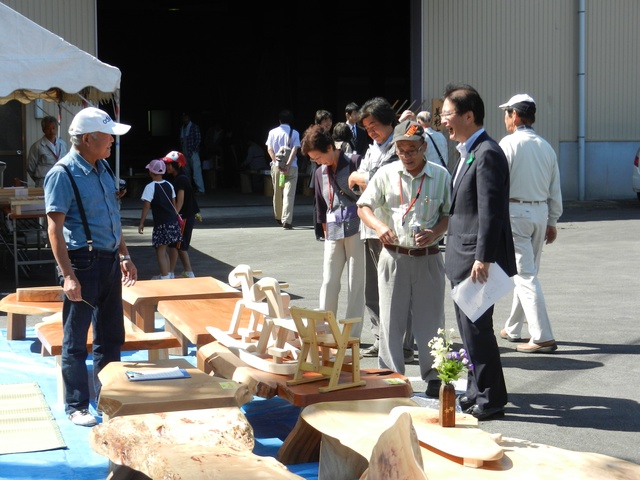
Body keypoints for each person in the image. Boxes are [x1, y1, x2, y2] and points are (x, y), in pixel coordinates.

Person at [44, 106, 137, 427]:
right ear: (87, 139)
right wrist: (67, 275)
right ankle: (76, 406)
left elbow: (112, 217)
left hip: (110, 261)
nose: (112, 141)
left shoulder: (104, 169)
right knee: (74, 340)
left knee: (110, 336)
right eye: (108, 136)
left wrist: (124, 255)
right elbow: (54, 229)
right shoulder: (63, 173)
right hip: (82, 264)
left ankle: (108, 396)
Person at [440, 83, 516, 420]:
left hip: (475, 260)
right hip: (462, 255)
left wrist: (483, 257)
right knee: (469, 329)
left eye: (448, 115)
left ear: (469, 116)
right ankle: (475, 391)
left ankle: (491, 398)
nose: (444, 122)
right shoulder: (469, 151)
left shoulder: (487, 152)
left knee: (478, 330)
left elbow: (491, 211)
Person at [356, 120, 451, 390]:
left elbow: (449, 215)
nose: (407, 156)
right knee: (390, 321)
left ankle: (434, 377)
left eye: (412, 150)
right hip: (393, 257)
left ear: (423, 147)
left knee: (431, 321)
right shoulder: (386, 174)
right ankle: (391, 377)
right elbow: (363, 207)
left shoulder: (441, 175)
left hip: (429, 257)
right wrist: (379, 226)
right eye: (401, 150)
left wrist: (435, 232)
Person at [348, 97, 414, 363]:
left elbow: (374, 179)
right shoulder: (372, 149)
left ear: (389, 121)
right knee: (373, 289)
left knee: (397, 288)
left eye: (374, 125)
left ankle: (404, 344)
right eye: (366, 127)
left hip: (391, 228)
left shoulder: (398, 148)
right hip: (369, 227)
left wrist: (362, 178)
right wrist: (363, 178)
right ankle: (380, 338)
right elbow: (359, 181)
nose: (370, 131)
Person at [498, 94, 563, 353]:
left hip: (516, 212)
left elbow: (498, 183)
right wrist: (553, 220)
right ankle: (513, 327)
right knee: (528, 273)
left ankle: (542, 335)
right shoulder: (545, 146)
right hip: (540, 212)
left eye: (507, 113)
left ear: (515, 115)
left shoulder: (509, 143)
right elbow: (554, 187)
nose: (505, 118)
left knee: (525, 275)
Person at [301, 124, 365, 335]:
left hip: (357, 228)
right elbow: (320, 206)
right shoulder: (320, 173)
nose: (317, 162)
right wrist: (326, 232)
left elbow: (368, 195)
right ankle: (325, 330)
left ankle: (352, 334)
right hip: (333, 230)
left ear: (330, 147)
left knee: (355, 283)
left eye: (318, 157)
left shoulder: (355, 162)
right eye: (313, 159)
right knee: (329, 281)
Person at [138, 159, 182, 280]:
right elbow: (174, 204)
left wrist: (142, 222)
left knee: (160, 251)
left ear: (151, 172)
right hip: (172, 222)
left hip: (161, 223)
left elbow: (146, 206)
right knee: (164, 248)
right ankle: (167, 274)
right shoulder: (169, 185)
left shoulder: (150, 187)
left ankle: (165, 276)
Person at [163, 150, 200, 278]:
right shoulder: (179, 178)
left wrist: (174, 216)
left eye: (169, 164)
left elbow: (180, 201)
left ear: (177, 165)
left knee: (178, 245)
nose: (166, 166)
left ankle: (174, 273)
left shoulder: (180, 180)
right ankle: (181, 272)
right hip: (184, 216)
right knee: (177, 244)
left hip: (183, 217)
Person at [266, 109, 300, 230]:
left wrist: (276, 162)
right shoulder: (295, 133)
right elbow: (294, 150)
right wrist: (288, 164)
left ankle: (278, 216)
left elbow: (269, 149)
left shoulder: (272, 132)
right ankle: (287, 220)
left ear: (279, 120)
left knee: (277, 192)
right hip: (292, 168)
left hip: (276, 167)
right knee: (289, 194)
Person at [27, 115, 68, 187]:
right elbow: (30, 167)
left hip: (61, 180)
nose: (51, 131)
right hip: (44, 181)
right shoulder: (37, 146)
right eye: (48, 129)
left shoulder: (63, 144)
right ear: (43, 130)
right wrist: (38, 178)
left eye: (53, 128)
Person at [312, 110, 334, 240]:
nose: (328, 123)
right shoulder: (316, 135)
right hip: (319, 169)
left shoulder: (328, 135)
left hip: (328, 169)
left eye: (330, 120)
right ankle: (319, 231)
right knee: (318, 202)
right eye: (325, 121)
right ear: (319, 122)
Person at [180, 112, 205, 195]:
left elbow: (198, 139)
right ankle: (189, 188)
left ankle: (201, 189)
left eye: (185, 117)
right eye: (183, 117)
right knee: (187, 172)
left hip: (193, 152)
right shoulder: (183, 128)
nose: (184, 119)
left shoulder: (194, 127)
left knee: (196, 172)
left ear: (188, 117)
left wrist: (194, 149)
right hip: (185, 152)